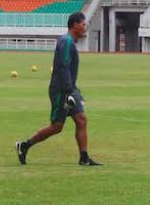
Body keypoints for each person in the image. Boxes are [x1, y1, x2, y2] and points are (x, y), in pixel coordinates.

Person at [15, 12, 102, 166]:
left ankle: (84, 157)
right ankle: (24, 145)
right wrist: (69, 91)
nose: (85, 27)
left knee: (81, 120)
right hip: (61, 91)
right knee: (57, 126)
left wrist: (76, 91)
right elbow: (63, 67)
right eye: (83, 24)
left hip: (69, 89)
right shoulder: (66, 42)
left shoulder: (69, 42)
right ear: (74, 25)